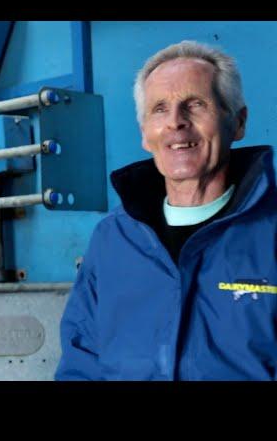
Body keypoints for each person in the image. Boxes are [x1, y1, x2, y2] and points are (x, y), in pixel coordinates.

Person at [56, 40, 277, 380]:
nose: (176, 122)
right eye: (160, 109)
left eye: (196, 104)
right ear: (145, 133)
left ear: (239, 122)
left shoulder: (271, 233)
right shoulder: (114, 238)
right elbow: (81, 361)